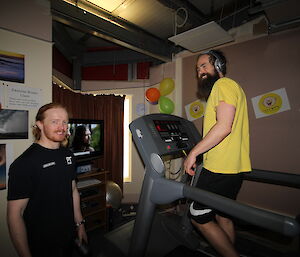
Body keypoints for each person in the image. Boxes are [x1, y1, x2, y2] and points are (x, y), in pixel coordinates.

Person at [184, 50, 251, 257]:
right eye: (197, 69)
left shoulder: (223, 85)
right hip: (234, 168)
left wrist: (193, 153)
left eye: (204, 65)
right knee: (223, 216)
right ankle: (228, 250)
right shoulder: (233, 87)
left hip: (220, 169)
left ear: (219, 67)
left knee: (198, 216)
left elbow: (223, 127)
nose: (200, 71)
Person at [7, 103, 88, 257]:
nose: (62, 127)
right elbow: (14, 215)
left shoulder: (68, 155)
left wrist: (80, 224)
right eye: (54, 121)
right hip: (42, 244)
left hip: (68, 236)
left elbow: (73, 191)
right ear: (40, 124)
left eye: (64, 122)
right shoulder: (24, 163)